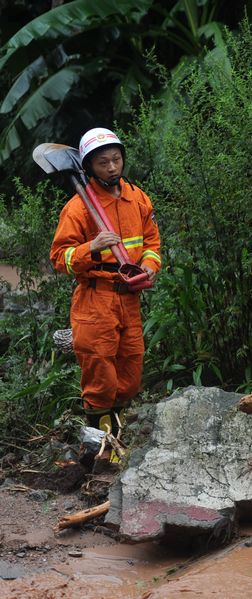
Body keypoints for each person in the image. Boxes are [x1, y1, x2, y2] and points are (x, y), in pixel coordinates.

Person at [50, 128, 161, 438]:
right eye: (103, 163)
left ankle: (120, 439)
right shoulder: (78, 208)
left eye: (116, 159)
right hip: (95, 299)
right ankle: (99, 449)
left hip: (129, 297)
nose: (112, 167)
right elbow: (60, 258)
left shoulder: (137, 198)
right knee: (100, 375)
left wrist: (150, 266)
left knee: (130, 371)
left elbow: (152, 242)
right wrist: (92, 247)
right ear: (89, 167)